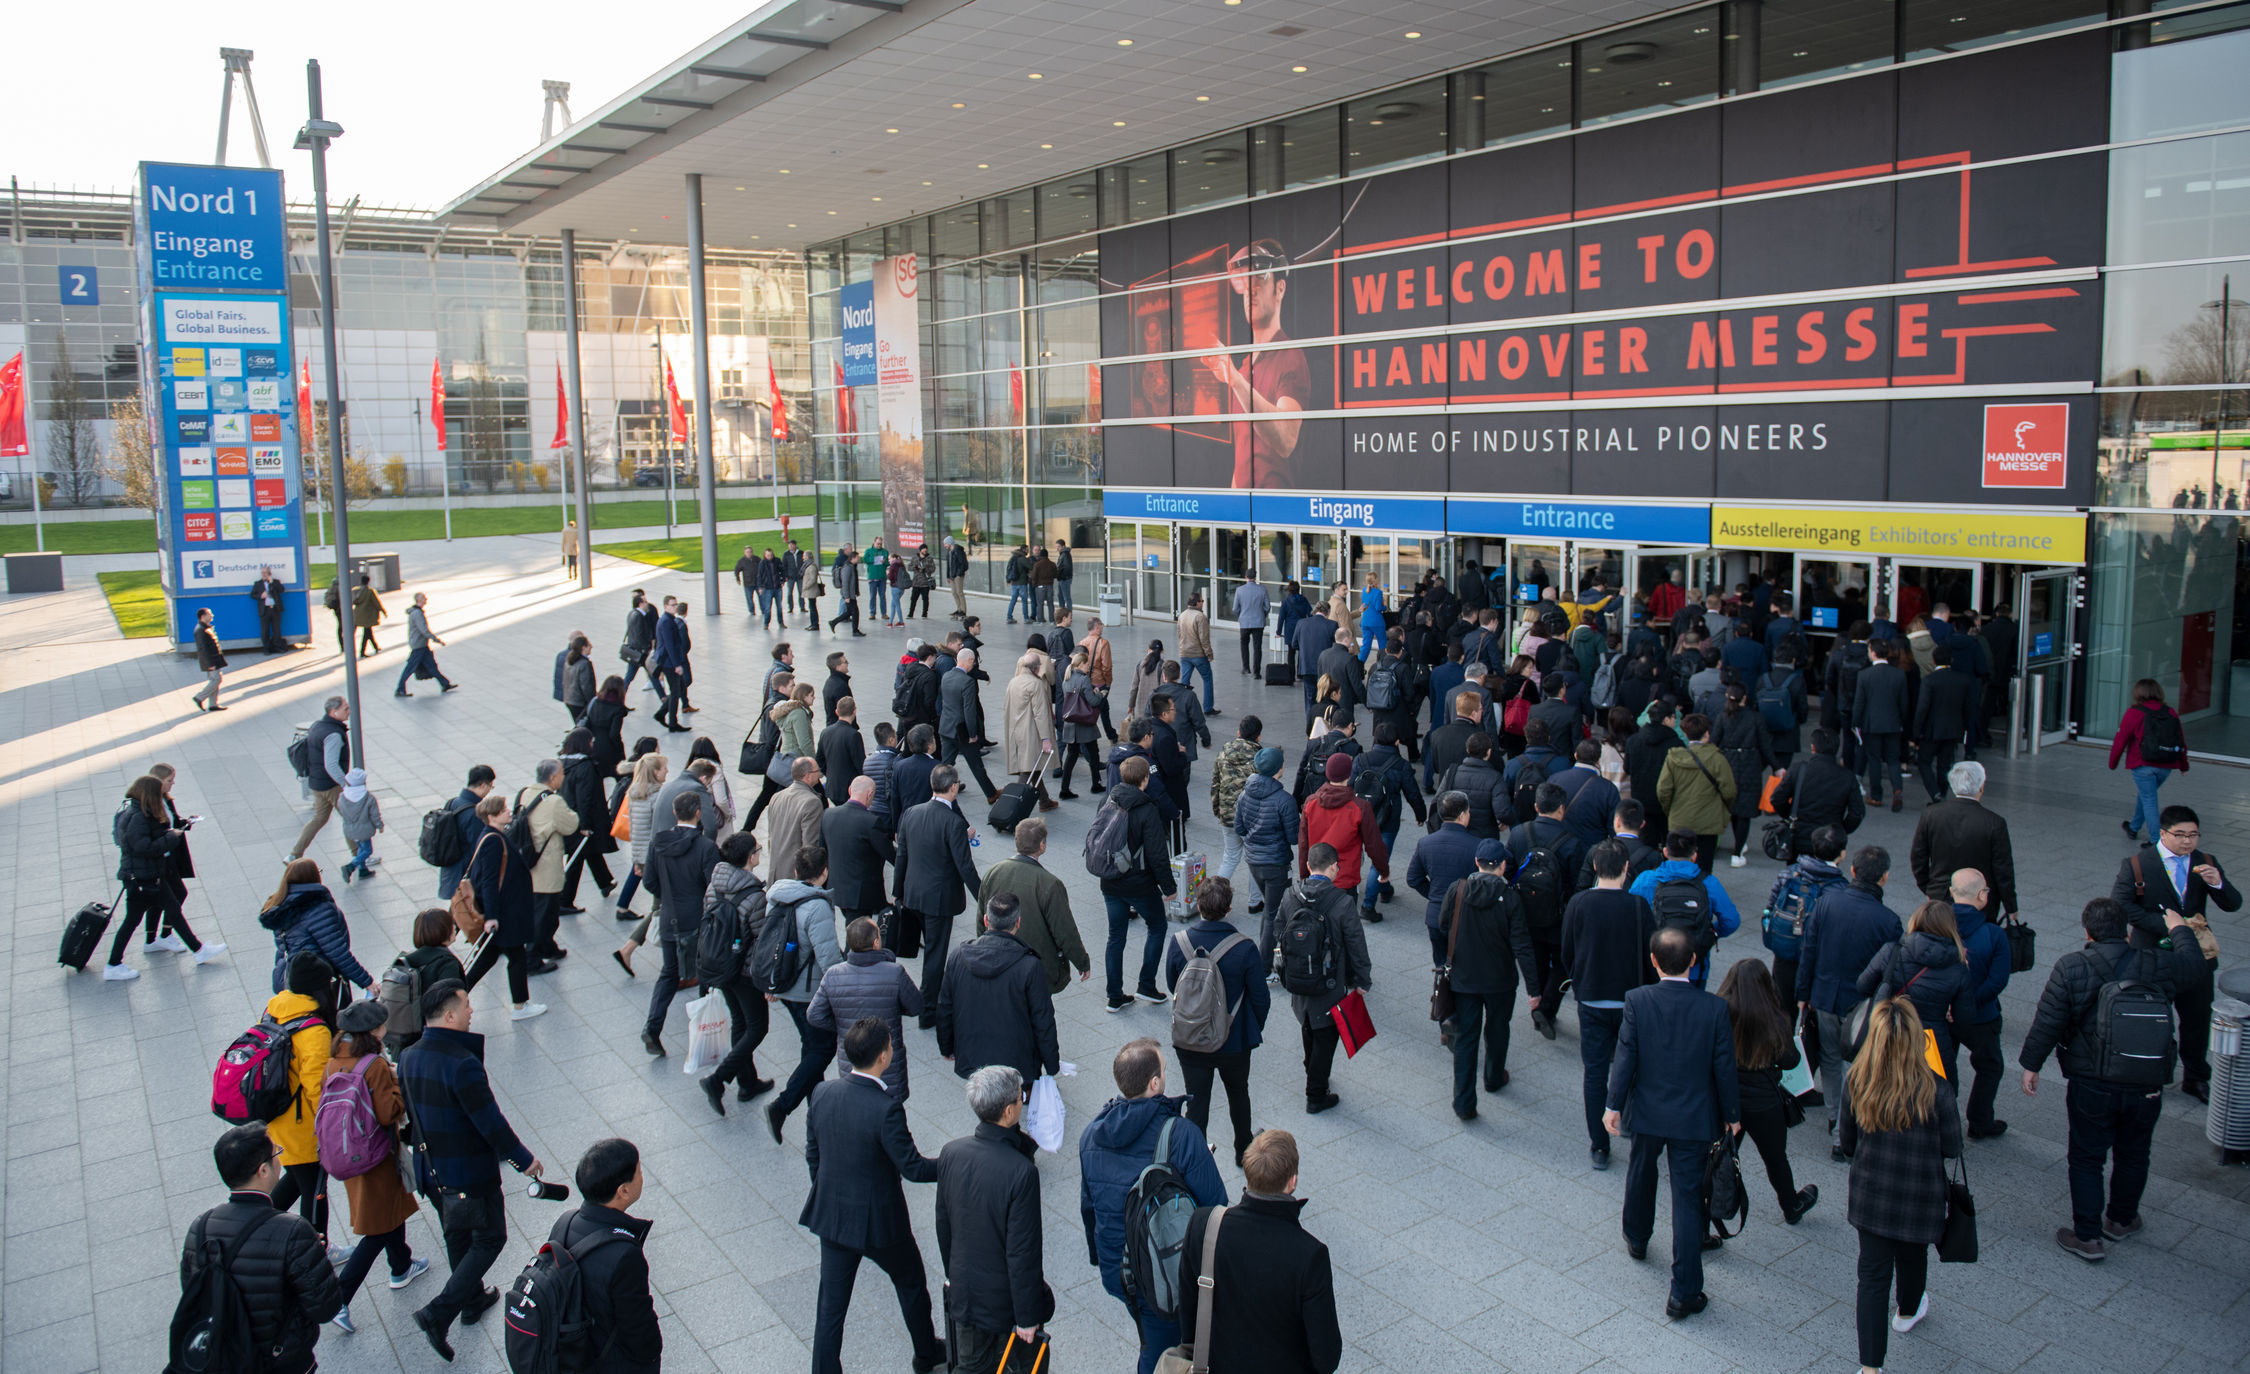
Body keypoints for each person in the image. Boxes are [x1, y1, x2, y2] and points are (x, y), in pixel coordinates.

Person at [2018, 897, 2207, 1261]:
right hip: (2146, 1080)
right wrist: (2179, 929)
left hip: (2092, 1081)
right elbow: (2195, 968)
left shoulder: (2072, 966)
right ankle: (2121, 1219)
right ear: (2126, 930)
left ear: (2087, 931)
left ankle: (2087, 1237)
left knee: (2087, 1157)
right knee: (2135, 1153)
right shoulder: (2158, 963)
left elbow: (2049, 1020)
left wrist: (2031, 1065)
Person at [398, 980, 548, 1360]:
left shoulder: (410, 1055)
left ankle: (471, 1301)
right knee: (489, 1238)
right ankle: (439, 1312)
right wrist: (522, 1159)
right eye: (466, 1006)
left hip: (431, 1167)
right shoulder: (463, 1064)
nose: (471, 1012)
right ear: (449, 1015)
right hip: (467, 1170)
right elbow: (490, 1123)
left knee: (457, 1235)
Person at [1605, 927, 1739, 1319]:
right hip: (1694, 1117)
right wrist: (1732, 1116)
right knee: (1687, 1197)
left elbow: (1626, 1056)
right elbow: (1724, 1069)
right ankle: (1683, 1292)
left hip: (1647, 1111)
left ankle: (1637, 1236)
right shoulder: (1714, 1009)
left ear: (1653, 961)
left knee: (1641, 1172)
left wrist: (1613, 1104)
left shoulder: (1637, 1001)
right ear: (1694, 962)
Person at [801, 1017, 947, 1374]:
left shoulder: (822, 1093)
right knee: (911, 1282)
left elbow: (813, 1153)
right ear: (884, 1056)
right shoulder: (886, 1108)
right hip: (882, 1225)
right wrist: (955, 1162)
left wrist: (828, 1191)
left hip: (832, 1219)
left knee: (831, 1307)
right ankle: (926, 1353)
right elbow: (912, 1168)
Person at [1078, 1039, 1230, 1374]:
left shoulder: (1091, 1135)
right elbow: (1216, 1206)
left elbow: (1089, 1205)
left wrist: (1100, 1257)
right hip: (1164, 1270)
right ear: (1155, 1083)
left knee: (1149, 1327)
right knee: (1161, 1350)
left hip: (1118, 1268)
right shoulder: (1181, 1134)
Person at [1843, 998, 1961, 1372]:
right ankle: (1909, 1310)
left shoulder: (1858, 1081)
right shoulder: (1937, 1089)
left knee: (1872, 1278)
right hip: (1920, 1195)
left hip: (1871, 1195)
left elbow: (1847, 1143)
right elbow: (1953, 1147)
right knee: (1913, 1255)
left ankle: (1870, 1368)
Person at [179, 1123, 342, 1374]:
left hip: (224, 1358)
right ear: (263, 1170)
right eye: (277, 1153)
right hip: (282, 1361)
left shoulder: (199, 1228)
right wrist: (316, 1261)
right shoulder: (294, 1231)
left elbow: (194, 1292)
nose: (280, 1159)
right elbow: (325, 1308)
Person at [1176, 1129, 1342, 1374]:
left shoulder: (1204, 1225)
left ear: (1248, 1174)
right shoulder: (1309, 1255)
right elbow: (1326, 1357)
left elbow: (1189, 1318)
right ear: (1292, 1181)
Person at [2108, 803, 2236, 1103]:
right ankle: (2152, 1073)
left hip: (2195, 958)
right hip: (2152, 956)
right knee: (2153, 1018)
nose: (2187, 841)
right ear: (2163, 833)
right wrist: (2169, 925)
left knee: (2197, 1019)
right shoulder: (2138, 864)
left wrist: (2217, 883)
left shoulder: (2205, 862)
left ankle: (2196, 1077)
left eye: (2193, 835)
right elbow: (2121, 906)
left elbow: (2233, 903)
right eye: (2180, 835)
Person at [935, 1066, 1050, 1373]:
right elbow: (1022, 1251)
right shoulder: (1021, 1172)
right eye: (1020, 1096)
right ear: (1010, 1110)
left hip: (965, 1295)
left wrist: (953, 1276)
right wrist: (1027, 1316)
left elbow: (944, 1225)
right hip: (1004, 1302)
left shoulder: (950, 1153)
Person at [322, 1001, 429, 1334]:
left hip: (348, 1151)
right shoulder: (374, 1066)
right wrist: (397, 1082)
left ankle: (401, 1265)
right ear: (374, 1031)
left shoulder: (333, 1061)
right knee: (378, 1227)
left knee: (388, 1211)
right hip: (377, 1154)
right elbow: (389, 1112)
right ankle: (340, 1298)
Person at [1798, 845, 1903, 1158]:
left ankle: (1835, 1117)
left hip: (1825, 997)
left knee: (1831, 1060)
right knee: (1859, 1064)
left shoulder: (1827, 902)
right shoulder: (1889, 921)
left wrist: (1802, 995)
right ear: (1884, 878)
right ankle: (1850, 1126)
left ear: (1853, 871)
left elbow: (1809, 951)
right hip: (1862, 1006)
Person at [1563, 840, 1659, 1169]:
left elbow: (1567, 952)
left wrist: (1578, 976)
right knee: (1632, 1065)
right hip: (1630, 1001)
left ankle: (1599, 1145)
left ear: (1594, 868)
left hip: (1590, 997)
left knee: (1594, 1072)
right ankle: (1629, 1120)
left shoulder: (1578, 903)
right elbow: (1651, 957)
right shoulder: (1638, 906)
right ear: (1626, 869)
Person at [1162, 877, 1269, 1165]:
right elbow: (1261, 998)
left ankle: (1195, 1161)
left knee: (1196, 1103)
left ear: (1198, 905)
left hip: (1191, 1039)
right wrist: (1250, 1028)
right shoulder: (1245, 948)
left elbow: (1174, 985)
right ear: (1229, 908)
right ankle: (1242, 1149)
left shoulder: (1179, 942)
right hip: (1234, 1040)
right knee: (1238, 1093)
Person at [1716, 961, 1819, 1231]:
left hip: (1727, 1102)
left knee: (1718, 1157)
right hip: (1764, 1103)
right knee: (1775, 1159)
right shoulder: (1774, 1018)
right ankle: (1791, 1206)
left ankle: (1708, 1211)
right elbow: (1790, 1061)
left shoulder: (1719, 1011)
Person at [545, 1139, 663, 1374]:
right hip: (610, 1361)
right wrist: (651, 1354)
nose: (642, 1176)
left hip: (573, 1350)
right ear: (623, 1190)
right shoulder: (624, 1255)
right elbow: (636, 1326)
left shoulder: (565, 1222)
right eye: (639, 1171)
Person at [1440, 839, 1538, 1116]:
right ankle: (1494, 1078)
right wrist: (1534, 990)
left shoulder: (1457, 890)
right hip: (1500, 982)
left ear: (1477, 863)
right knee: (1497, 1030)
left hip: (1464, 979)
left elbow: (1442, 924)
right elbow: (1522, 946)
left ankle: (1463, 1102)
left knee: (1467, 1037)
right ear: (1503, 866)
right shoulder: (1510, 898)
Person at [1276, 843, 1371, 1114]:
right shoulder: (1342, 902)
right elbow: (1356, 943)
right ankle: (1316, 1094)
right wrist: (1362, 979)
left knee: (1308, 1025)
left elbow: (1278, 929)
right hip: (1330, 983)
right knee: (1327, 1037)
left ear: (1308, 866)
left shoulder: (1289, 895)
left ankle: (1311, 1069)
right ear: (1333, 868)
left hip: (1297, 979)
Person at [765, 844, 849, 1142]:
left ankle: (816, 1110)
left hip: (785, 986)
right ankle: (783, 1106)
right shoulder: (817, 906)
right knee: (822, 1049)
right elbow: (828, 958)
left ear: (797, 871)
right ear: (824, 873)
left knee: (810, 1044)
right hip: (807, 991)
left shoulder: (777, 896)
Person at [938, 891, 1061, 1087]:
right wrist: (1051, 1064)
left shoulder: (957, 957)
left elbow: (945, 1006)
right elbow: (1043, 1019)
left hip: (972, 1056)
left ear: (986, 920)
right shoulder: (1029, 965)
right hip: (1017, 1061)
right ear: (1018, 923)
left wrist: (946, 1047)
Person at [107, 775, 221, 979]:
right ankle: (113, 964)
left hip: (147, 876)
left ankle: (198, 950)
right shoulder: (139, 816)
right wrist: (170, 837)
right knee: (133, 920)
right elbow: (143, 847)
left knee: (171, 912)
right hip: (143, 878)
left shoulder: (137, 811)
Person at [696, 832, 777, 1114]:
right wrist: (767, 979)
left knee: (740, 1023)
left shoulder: (714, 886)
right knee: (758, 1027)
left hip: (719, 966)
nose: (759, 853)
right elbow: (762, 940)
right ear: (749, 858)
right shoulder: (755, 896)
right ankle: (718, 1079)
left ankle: (748, 1082)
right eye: (757, 849)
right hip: (744, 972)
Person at [895, 765, 984, 1022]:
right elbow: (965, 867)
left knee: (930, 947)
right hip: (939, 899)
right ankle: (928, 1010)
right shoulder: (953, 822)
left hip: (913, 893)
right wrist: (984, 899)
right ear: (954, 786)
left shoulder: (911, 813)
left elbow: (902, 854)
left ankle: (932, 998)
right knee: (935, 954)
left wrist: (897, 891)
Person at [640, 790, 723, 1057]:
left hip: (669, 917)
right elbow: (714, 886)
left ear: (675, 813)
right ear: (698, 812)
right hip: (698, 919)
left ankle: (652, 1028)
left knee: (668, 973)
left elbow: (649, 881)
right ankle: (702, 1034)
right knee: (705, 973)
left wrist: (668, 897)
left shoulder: (658, 843)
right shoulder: (705, 846)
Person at [811, 916, 922, 1100]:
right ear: (876, 942)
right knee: (891, 1112)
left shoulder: (833, 975)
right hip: (887, 1061)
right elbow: (916, 1006)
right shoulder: (894, 972)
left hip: (852, 1061)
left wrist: (843, 1028)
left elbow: (814, 1015)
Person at [1098, 755, 1177, 1012]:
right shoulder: (1146, 809)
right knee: (1157, 926)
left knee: (1115, 936)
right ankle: (1146, 985)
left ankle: (1114, 996)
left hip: (1110, 881)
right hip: (1139, 884)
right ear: (1145, 779)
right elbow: (1157, 854)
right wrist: (1169, 888)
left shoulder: (1107, 800)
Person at [976, 817, 1090, 993]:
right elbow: (1064, 931)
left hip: (999, 959)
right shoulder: (1050, 884)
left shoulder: (993, 872)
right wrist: (1081, 961)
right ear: (1042, 846)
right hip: (1037, 966)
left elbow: (981, 918)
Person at [461, 793, 548, 1021]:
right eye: (503, 810)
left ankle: (454, 997)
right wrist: (491, 916)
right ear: (491, 816)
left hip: (505, 912)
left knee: (488, 960)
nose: (508, 812)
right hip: (505, 914)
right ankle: (520, 1006)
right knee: (516, 958)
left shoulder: (493, 835)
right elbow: (489, 881)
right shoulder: (493, 840)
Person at [1943, 868, 2013, 1138]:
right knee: (1990, 1066)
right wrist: (1968, 1004)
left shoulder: (1937, 925)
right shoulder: (1994, 934)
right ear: (1982, 896)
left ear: (1951, 892)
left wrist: (1949, 1005)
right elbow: (1997, 981)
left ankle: (1943, 1119)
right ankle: (1980, 1121)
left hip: (1942, 1015)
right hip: (1981, 1017)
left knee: (1943, 1069)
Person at [1627, 830, 1741, 989]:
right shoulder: (1709, 883)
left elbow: (1628, 916)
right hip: (1693, 966)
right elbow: (1731, 920)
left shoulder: (1646, 879)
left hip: (1655, 963)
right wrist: (1710, 933)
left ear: (1665, 852)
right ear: (1695, 855)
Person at [259, 858, 370, 995]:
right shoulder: (318, 907)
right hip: (317, 981)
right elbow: (337, 952)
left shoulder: (278, 905)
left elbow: (283, 949)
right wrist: (367, 982)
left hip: (288, 980)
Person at [1234, 746, 1300, 969]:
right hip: (1276, 863)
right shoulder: (1284, 800)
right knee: (1274, 913)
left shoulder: (1244, 793)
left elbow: (1239, 828)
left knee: (1271, 910)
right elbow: (1293, 837)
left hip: (1254, 861)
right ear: (1278, 768)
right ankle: (1265, 965)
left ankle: (1269, 955)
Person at [515, 759, 580, 966]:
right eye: (561, 774)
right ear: (553, 778)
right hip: (545, 865)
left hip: (527, 861)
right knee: (545, 913)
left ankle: (547, 946)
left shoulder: (525, 793)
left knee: (540, 910)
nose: (563, 778)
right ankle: (532, 958)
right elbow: (571, 824)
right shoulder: (553, 801)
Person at [1408, 789, 1483, 970]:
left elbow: (1413, 878)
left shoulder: (1425, 843)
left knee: (1441, 965)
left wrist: (1433, 893)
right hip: (1466, 917)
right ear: (1463, 815)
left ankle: (1441, 994)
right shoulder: (1476, 845)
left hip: (1435, 915)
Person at [2110, 678, 2192, 843]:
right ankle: (2133, 827)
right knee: (2147, 795)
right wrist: (2183, 764)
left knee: (2149, 800)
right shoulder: (2170, 712)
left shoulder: (2134, 713)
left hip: (2143, 764)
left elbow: (2120, 740)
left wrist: (2113, 763)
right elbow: (2180, 740)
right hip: (2166, 765)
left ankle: (2156, 841)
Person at [1767, 727, 1866, 860]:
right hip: (1830, 839)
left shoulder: (1799, 769)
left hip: (1799, 837)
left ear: (1813, 748)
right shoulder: (1847, 777)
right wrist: (1842, 830)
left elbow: (1777, 799)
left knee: (1797, 876)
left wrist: (1790, 815)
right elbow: (1857, 812)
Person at [1655, 713, 1735, 874]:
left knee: (1676, 866)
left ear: (1685, 733)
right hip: (1709, 821)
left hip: (1679, 820)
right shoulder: (1717, 758)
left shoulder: (1673, 758)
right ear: (1707, 733)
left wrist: (1670, 810)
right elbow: (1730, 791)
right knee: (1704, 869)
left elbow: (1663, 790)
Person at [1713, 684, 1773, 868]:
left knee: (1731, 806)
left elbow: (1715, 741)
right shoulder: (1755, 717)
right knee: (1745, 810)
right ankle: (1738, 851)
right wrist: (1776, 766)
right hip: (1750, 765)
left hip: (1728, 763)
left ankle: (1739, 844)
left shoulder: (1723, 717)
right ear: (1744, 698)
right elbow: (1765, 744)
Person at [1911, 643, 1979, 802]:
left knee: (1924, 762)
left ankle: (1935, 794)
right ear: (1952, 660)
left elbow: (1922, 709)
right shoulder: (1963, 680)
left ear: (1933, 661)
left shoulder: (1929, 680)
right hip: (1953, 729)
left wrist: (1916, 732)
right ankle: (1942, 793)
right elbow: (1968, 707)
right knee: (1945, 765)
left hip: (1931, 730)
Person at [289, 696, 352, 862]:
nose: (349, 711)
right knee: (351, 819)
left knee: (319, 819)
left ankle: (294, 854)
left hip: (316, 783)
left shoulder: (317, 726)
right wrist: (346, 784)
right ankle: (359, 857)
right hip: (332, 786)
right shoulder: (334, 735)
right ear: (334, 712)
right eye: (346, 709)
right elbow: (331, 765)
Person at [1854, 639, 1910, 812]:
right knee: (1893, 759)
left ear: (1873, 652)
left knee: (1874, 759)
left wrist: (1855, 723)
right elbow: (1904, 703)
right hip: (1893, 723)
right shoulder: (1899, 675)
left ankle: (1876, 795)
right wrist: (1902, 721)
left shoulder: (1864, 675)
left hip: (1872, 724)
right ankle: (1897, 789)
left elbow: (1859, 703)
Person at [940, 647, 1001, 799]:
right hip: (962, 731)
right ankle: (991, 794)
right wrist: (973, 734)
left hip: (946, 727)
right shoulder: (967, 682)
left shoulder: (946, 676)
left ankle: (938, 790)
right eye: (973, 662)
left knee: (945, 764)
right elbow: (969, 711)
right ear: (969, 661)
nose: (973, 665)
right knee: (976, 765)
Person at [768, 756, 830, 891]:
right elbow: (810, 846)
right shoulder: (812, 802)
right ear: (807, 776)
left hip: (776, 874)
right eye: (817, 771)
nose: (820, 774)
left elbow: (771, 837)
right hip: (795, 879)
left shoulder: (776, 797)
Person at [334, 766, 384, 886]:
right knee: (367, 850)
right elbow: (374, 815)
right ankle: (350, 866)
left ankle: (363, 870)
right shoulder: (369, 798)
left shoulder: (342, 797)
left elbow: (340, 810)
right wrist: (379, 825)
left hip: (349, 829)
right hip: (364, 830)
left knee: (360, 849)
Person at [1177, 590, 1216, 714]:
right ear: (1197, 603)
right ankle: (1208, 707)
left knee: (1184, 681)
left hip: (1185, 653)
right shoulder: (1200, 617)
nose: (1203, 603)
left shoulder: (1182, 615)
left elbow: (1179, 634)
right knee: (1207, 679)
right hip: (1198, 654)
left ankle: (1182, 706)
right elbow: (1204, 638)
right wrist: (1209, 653)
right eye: (1202, 601)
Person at [189, 605, 228, 712]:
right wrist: (210, 663)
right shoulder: (201, 630)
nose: (212, 616)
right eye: (209, 614)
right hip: (211, 661)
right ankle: (199, 697)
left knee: (214, 680)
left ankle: (213, 704)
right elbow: (203, 649)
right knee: (216, 680)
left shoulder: (205, 628)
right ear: (203, 616)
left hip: (214, 659)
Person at [619, 590, 656, 694]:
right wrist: (647, 648)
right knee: (631, 676)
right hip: (639, 652)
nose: (647, 603)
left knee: (651, 675)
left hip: (636, 651)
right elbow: (639, 635)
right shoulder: (638, 616)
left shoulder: (632, 613)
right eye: (644, 601)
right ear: (640, 603)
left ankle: (663, 698)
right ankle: (664, 699)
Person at [1233, 576, 1270, 675]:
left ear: (1246, 577)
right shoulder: (1262, 589)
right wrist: (1262, 615)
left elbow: (1235, 608)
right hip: (1258, 622)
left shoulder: (1239, 590)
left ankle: (1246, 668)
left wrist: (1241, 615)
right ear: (1255, 577)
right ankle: (1256, 672)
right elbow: (1267, 607)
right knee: (1257, 647)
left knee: (1244, 645)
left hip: (1244, 622)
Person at [253, 564, 290, 653]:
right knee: (265, 630)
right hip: (264, 610)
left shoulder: (276, 582)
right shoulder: (258, 584)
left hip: (275, 609)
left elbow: (281, 590)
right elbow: (252, 595)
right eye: (262, 573)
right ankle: (266, 648)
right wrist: (261, 596)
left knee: (276, 629)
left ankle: (277, 646)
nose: (264, 574)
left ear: (269, 573)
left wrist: (272, 582)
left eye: (265, 573)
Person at [351, 572, 385, 657]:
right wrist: (383, 610)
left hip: (357, 614)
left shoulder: (355, 590)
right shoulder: (370, 591)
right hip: (367, 615)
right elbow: (376, 602)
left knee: (368, 632)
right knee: (367, 633)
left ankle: (375, 647)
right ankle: (362, 652)